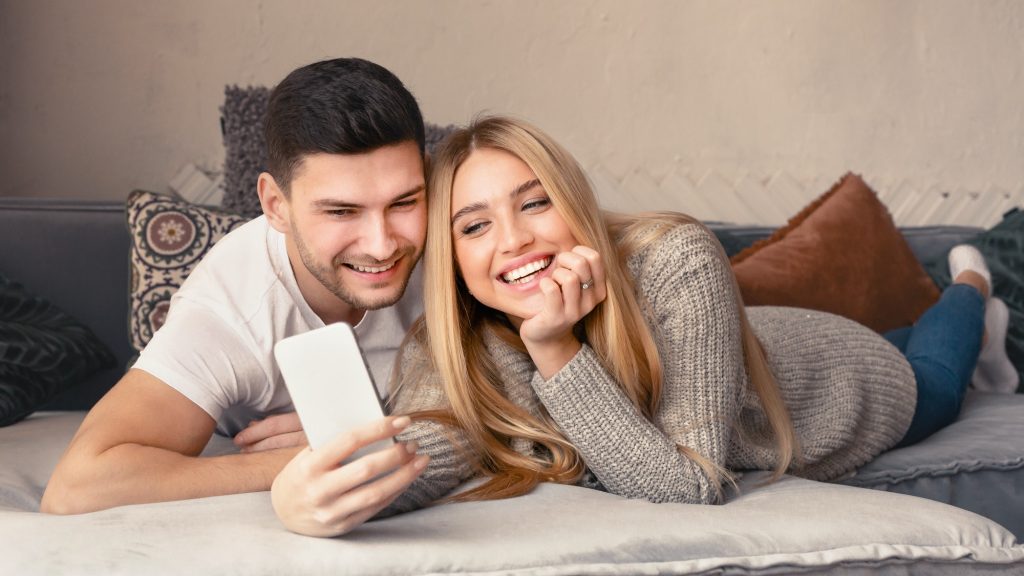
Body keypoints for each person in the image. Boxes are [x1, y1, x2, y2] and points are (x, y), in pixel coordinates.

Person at [272, 115, 1017, 536]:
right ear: (452, 258)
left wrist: (557, 349)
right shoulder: (454, 337)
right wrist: (304, 497)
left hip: (848, 380)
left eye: (535, 203)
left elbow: (688, 488)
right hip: (761, 346)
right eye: (474, 225)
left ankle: (972, 287)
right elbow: (436, 447)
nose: (514, 241)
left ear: (573, 202)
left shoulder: (676, 259)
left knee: (937, 372)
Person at [41, 57, 431, 518]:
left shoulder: (456, 232)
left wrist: (380, 428)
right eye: (341, 212)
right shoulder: (232, 309)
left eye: (404, 202)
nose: (383, 245)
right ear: (275, 205)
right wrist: (317, 455)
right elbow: (77, 486)